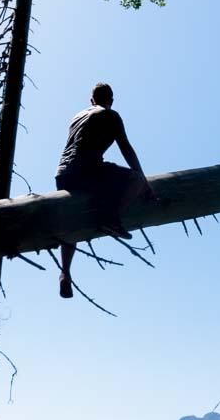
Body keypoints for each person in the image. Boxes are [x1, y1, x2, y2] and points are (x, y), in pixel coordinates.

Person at [54, 82, 156, 298]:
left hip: (63, 175)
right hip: (86, 171)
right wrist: (144, 182)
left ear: (91, 100)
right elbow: (125, 147)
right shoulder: (110, 115)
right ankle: (111, 218)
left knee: (74, 220)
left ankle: (65, 272)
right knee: (135, 179)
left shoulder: (77, 116)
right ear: (111, 99)